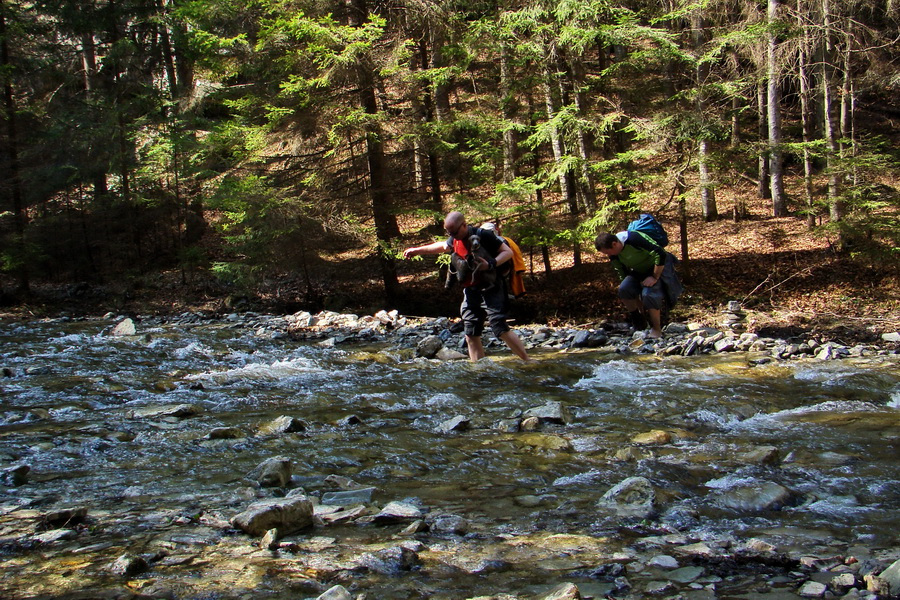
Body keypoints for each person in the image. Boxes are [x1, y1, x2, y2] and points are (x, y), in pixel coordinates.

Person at [403, 211, 530, 362]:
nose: (452, 235)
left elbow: (507, 252)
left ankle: (526, 360)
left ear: (464, 225)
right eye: (449, 232)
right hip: (471, 290)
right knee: (470, 332)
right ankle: (479, 368)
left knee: (499, 327)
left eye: (454, 232)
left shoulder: (484, 236)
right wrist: (417, 250)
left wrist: (490, 264)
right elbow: (443, 246)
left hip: (492, 287)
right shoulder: (455, 238)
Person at [594, 229, 682, 339]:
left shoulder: (634, 239)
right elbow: (621, 270)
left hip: (657, 267)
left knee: (648, 294)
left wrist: (654, 277)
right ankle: (639, 322)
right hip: (639, 270)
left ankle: (657, 329)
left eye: (607, 252)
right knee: (624, 290)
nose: (608, 255)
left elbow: (660, 253)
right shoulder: (614, 254)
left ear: (614, 244)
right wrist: (631, 291)